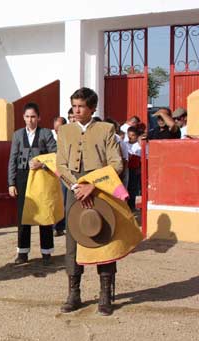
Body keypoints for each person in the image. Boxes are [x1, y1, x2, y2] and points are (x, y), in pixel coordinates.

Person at [56, 87, 123, 316]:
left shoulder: (106, 129)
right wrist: (75, 186)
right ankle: (74, 293)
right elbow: (61, 165)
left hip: (100, 191)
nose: (76, 111)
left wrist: (93, 185)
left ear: (92, 108)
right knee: (73, 240)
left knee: (103, 237)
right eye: (74, 106)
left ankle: (105, 294)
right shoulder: (64, 131)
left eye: (81, 106)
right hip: (74, 190)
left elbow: (117, 164)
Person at [7, 103, 57, 265]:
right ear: (23, 118)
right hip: (22, 177)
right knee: (23, 215)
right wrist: (11, 183)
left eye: (33, 117)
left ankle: (46, 252)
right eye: (27, 117)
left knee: (44, 213)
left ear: (39, 118)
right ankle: (22, 252)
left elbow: (55, 155)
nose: (30, 120)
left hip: (41, 177)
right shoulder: (17, 135)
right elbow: (12, 160)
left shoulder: (46, 133)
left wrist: (41, 164)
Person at [53, 116, 68, 237]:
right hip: (52, 174)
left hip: (64, 174)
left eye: (59, 129)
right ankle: (56, 226)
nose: (57, 131)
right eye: (56, 129)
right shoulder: (51, 137)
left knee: (64, 201)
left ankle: (60, 227)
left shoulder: (68, 138)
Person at [126, 126, 143, 211]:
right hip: (126, 168)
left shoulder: (139, 146)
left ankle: (132, 205)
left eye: (132, 135)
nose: (130, 137)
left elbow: (140, 158)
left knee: (133, 188)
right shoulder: (125, 144)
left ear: (136, 136)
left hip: (134, 169)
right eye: (129, 135)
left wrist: (139, 169)